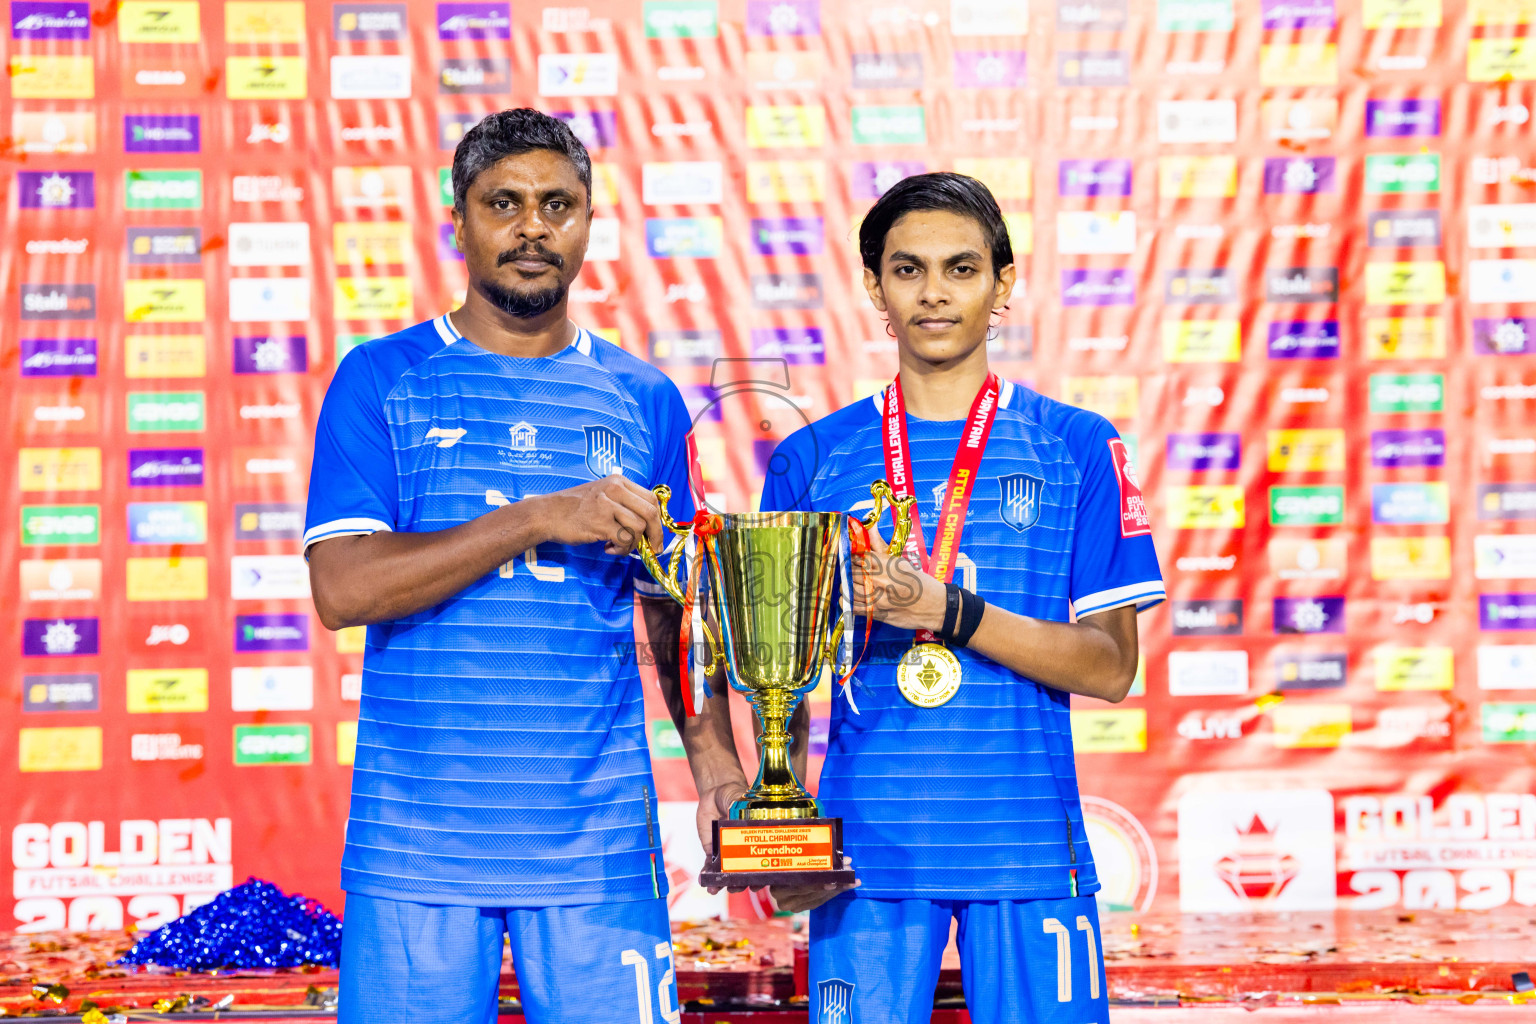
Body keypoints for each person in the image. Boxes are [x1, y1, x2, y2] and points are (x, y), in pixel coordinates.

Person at [304, 108, 749, 1024]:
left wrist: (716, 771)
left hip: (596, 846)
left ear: (589, 222)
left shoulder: (644, 399)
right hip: (415, 847)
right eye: (503, 203)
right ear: (459, 221)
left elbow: (674, 613)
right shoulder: (382, 377)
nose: (532, 226)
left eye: (558, 204)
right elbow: (345, 589)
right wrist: (539, 517)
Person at [755, 172, 1166, 1022]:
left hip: (1027, 851)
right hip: (865, 855)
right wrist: (775, 810)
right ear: (875, 286)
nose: (934, 293)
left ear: (1001, 284)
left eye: (961, 269)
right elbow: (780, 675)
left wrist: (947, 611)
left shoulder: (1079, 446)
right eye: (907, 270)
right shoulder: (813, 458)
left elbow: (1111, 668)